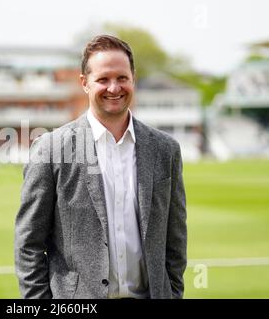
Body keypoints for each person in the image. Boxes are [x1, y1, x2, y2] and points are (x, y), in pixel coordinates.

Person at [14, 35, 187, 299]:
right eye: (103, 79)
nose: (114, 88)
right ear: (84, 83)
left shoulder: (166, 150)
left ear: (133, 78)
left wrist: (172, 292)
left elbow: (175, 239)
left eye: (122, 78)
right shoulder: (50, 150)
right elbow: (29, 244)